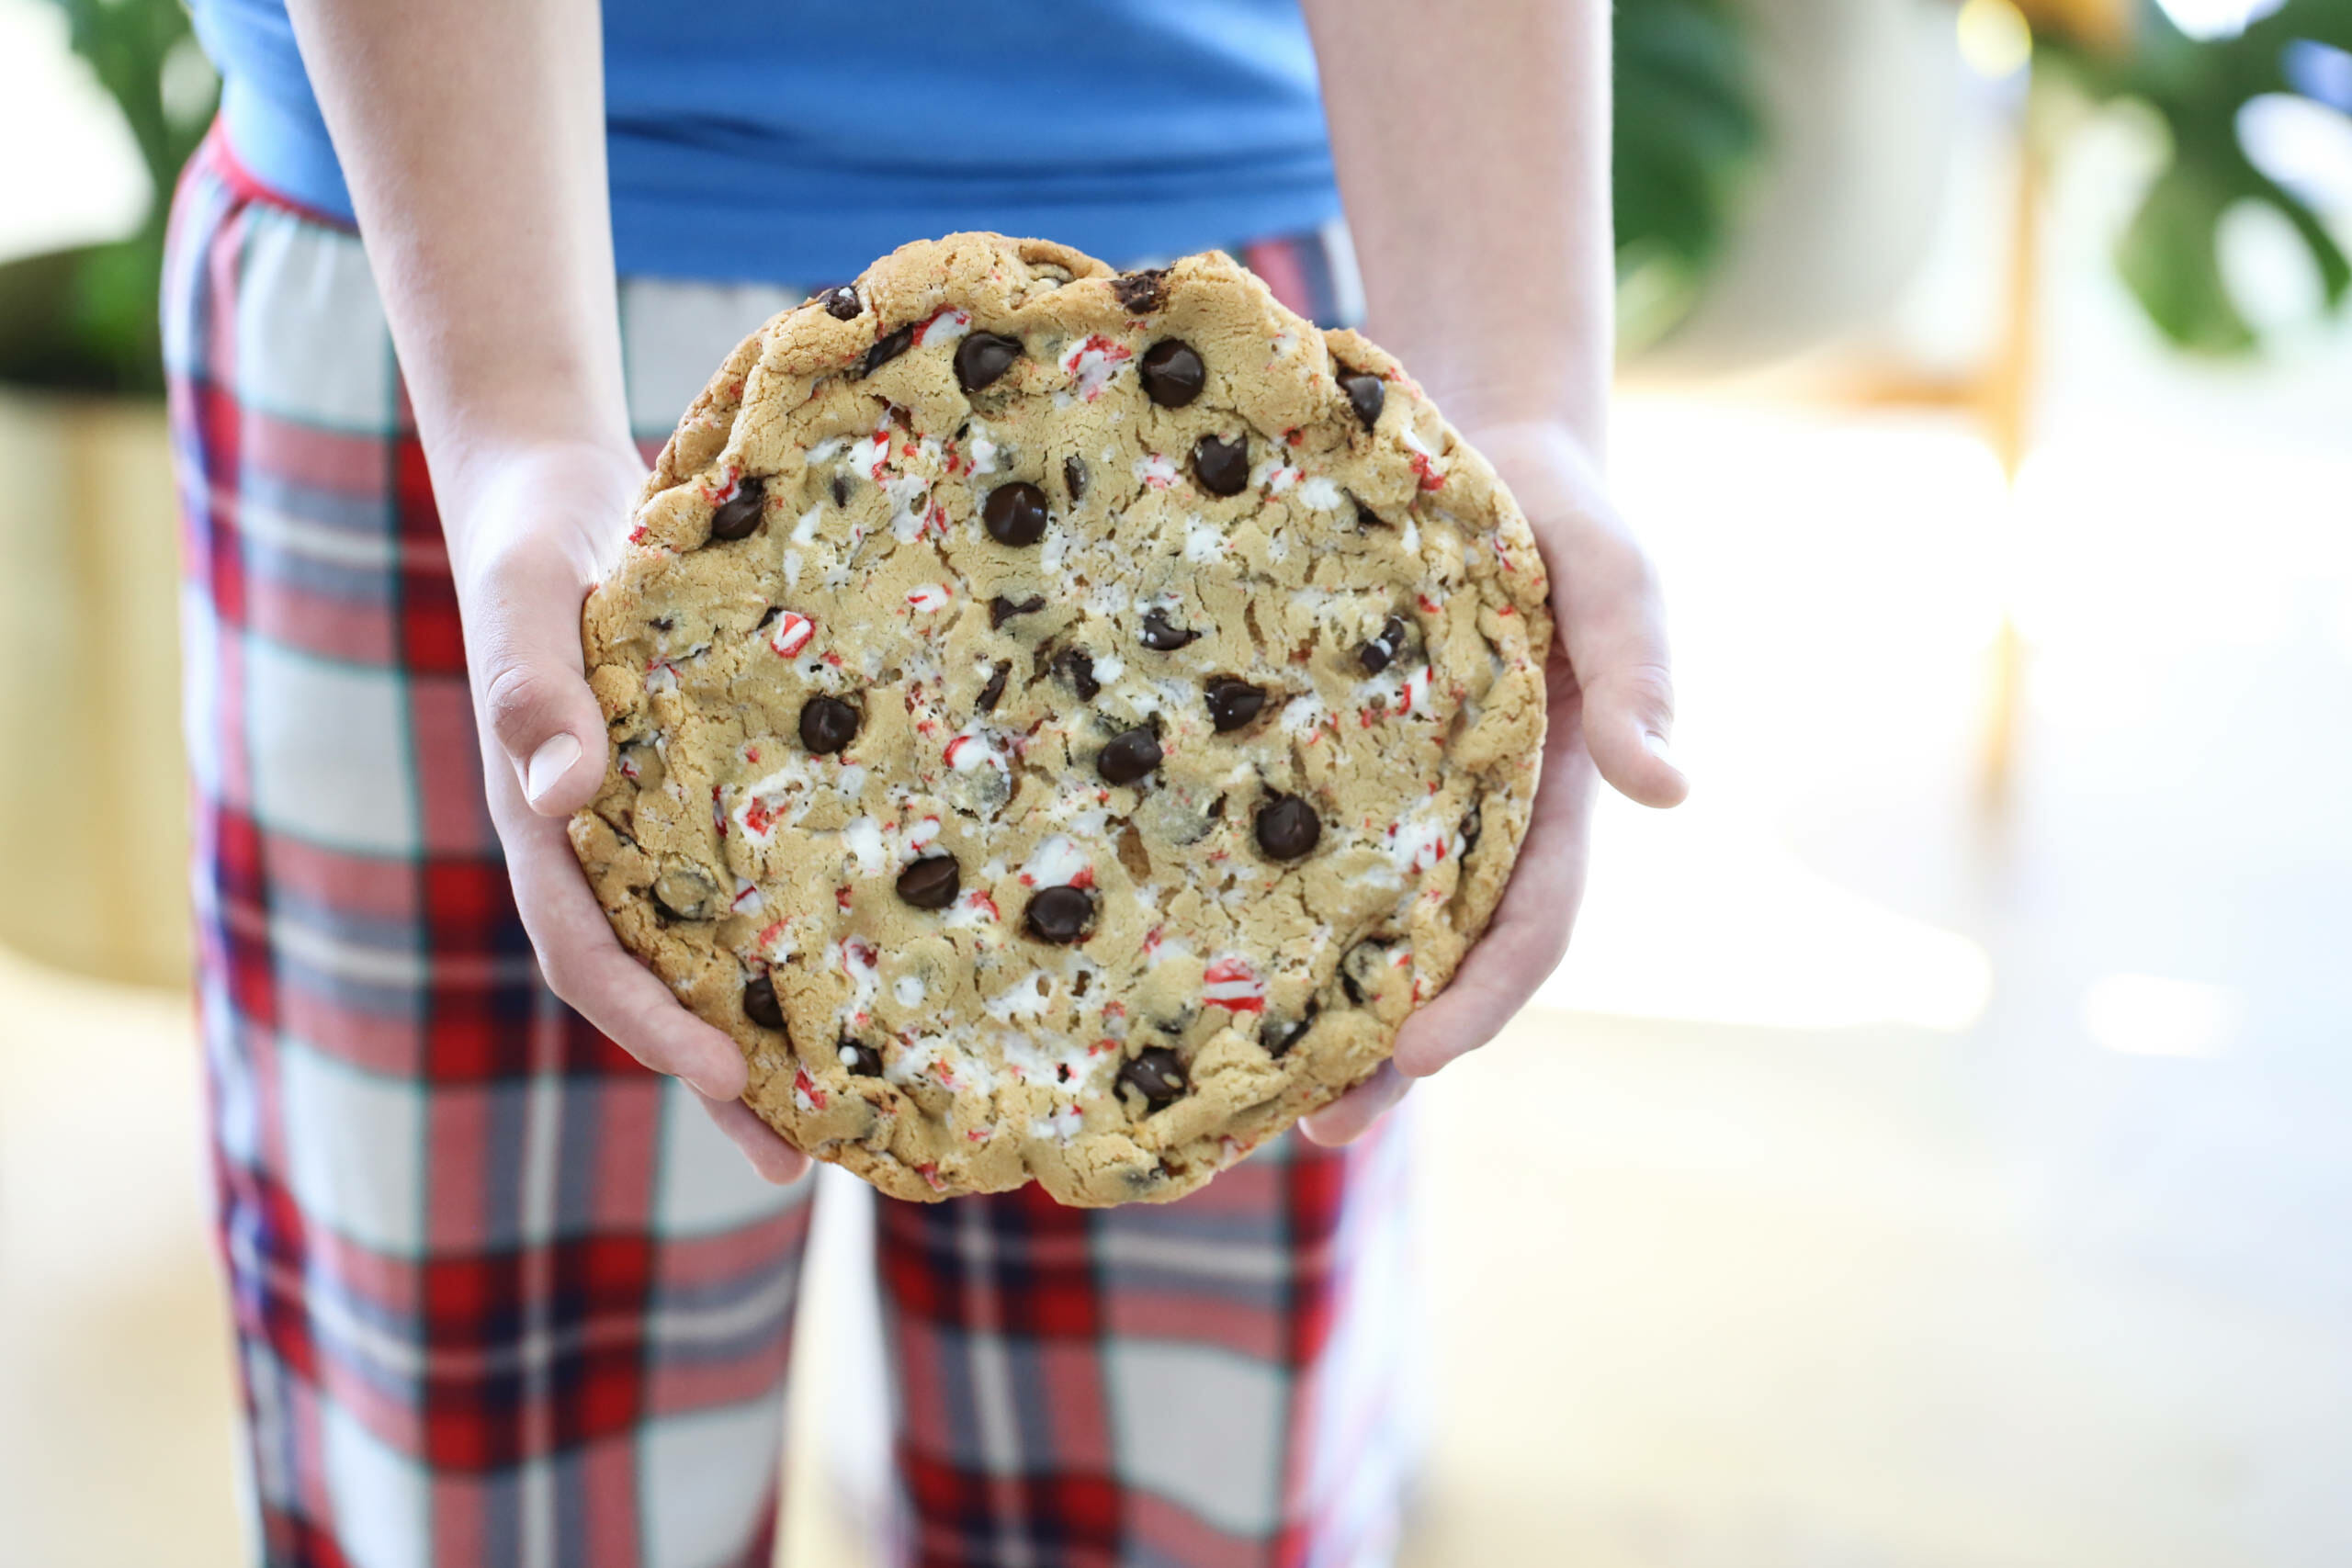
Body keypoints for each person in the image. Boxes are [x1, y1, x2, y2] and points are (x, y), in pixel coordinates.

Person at [164, 0, 1684, 1561]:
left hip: (1241, 376)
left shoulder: (1281, 407)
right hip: (456, 245)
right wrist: (511, 416)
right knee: (495, 1500)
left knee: (1184, 1513)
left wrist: (1507, 401)